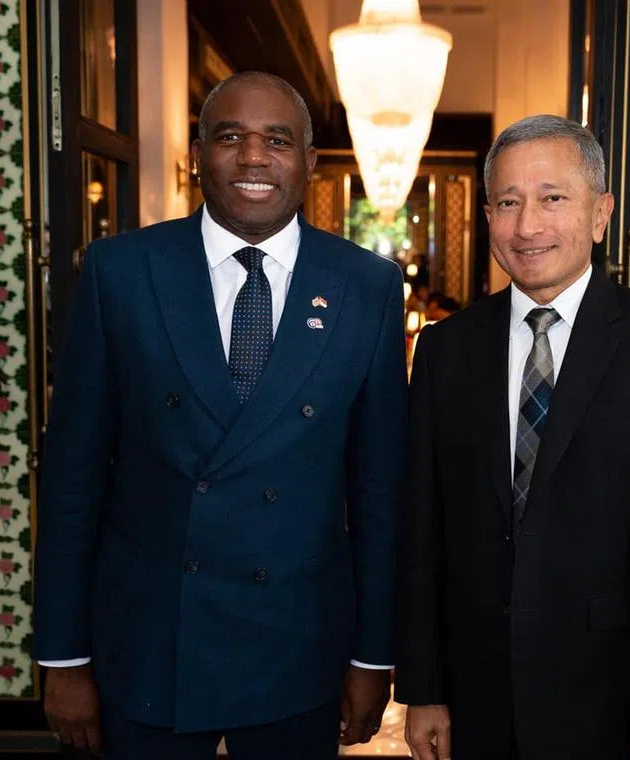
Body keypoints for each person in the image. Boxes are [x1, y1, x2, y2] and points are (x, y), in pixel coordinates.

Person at [33, 71, 407, 759]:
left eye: (278, 140)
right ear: (199, 153)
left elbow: (379, 494)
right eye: (231, 136)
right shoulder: (121, 270)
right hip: (148, 643)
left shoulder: (367, 286)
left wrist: (372, 655)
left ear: (310, 163)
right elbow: (72, 478)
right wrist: (62, 656)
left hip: (298, 644)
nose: (255, 158)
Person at [395, 114, 630, 759]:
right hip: (475, 696)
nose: (529, 226)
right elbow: (422, 531)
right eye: (509, 203)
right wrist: (424, 688)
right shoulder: (445, 349)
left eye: (553, 198)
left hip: (611, 699)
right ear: (488, 217)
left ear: (600, 214)